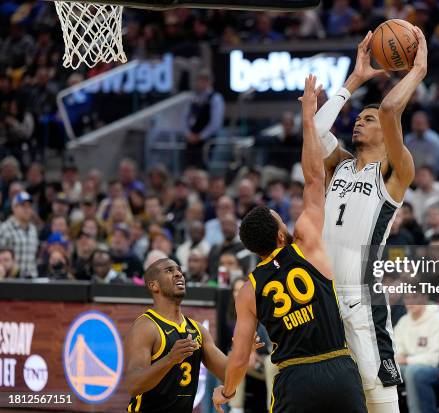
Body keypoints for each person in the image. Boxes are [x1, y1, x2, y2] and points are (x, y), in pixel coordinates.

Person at [212, 75, 367, 413]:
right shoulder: (307, 244)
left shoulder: (249, 290)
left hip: (294, 379)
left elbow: (240, 354)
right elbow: (314, 176)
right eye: (281, 219)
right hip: (339, 367)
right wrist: (309, 118)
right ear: (281, 234)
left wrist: (226, 390)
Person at [311, 28, 427, 412]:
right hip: (325, 297)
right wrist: (355, 79)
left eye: (368, 119)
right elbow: (314, 130)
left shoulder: (395, 174)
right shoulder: (339, 166)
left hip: (362, 297)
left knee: (379, 398)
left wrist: (418, 70)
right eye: (358, 117)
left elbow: (392, 109)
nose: (359, 122)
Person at [123, 257, 250, 413]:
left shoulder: (198, 330)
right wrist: (170, 359)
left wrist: (244, 349)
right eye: (169, 270)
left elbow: (228, 374)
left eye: (179, 270)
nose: (178, 274)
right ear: (153, 285)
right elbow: (133, 385)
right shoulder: (146, 327)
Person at [0, 191, 38, 278]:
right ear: (14, 208)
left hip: (32, 278)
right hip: (11, 279)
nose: (27, 209)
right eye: (23, 206)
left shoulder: (33, 229)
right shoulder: (4, 228)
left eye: (29, 206)